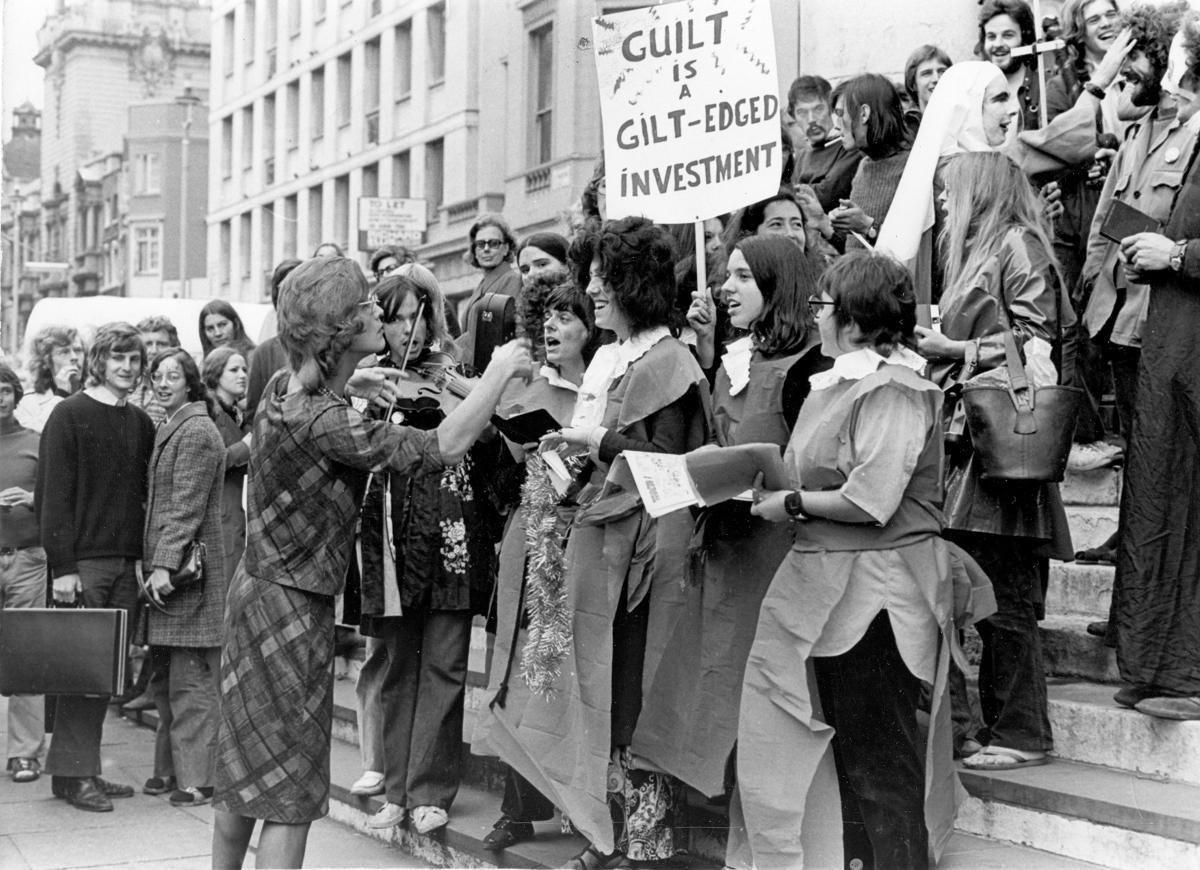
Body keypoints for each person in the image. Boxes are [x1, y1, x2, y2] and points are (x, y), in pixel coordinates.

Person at [210, 256, 530, 869]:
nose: (376, 311)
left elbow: (307, 391)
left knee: (242, 766)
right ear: (338, 331)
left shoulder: (283, 393)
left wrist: (349, 384)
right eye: (364, 305)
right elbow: (443, 445)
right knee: (288, 793)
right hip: (293, 610)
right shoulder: (327, 422)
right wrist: (495, 376)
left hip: (254, 597)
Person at [487, 217, 712, 869]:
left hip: (652, 556)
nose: (591, 289)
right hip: (610, 547)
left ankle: (641, 842)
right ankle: (607, 833)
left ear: (632, 285)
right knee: (609, 693)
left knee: (636, 695)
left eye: (600, 278)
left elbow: (673, 465)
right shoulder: (621, 358)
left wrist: (598, 442)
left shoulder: (670, 361)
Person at [732, 252, 959, 870]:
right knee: (854, 759)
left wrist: (792, 500)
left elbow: (872, 498)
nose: (817, 317)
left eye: (824, 306)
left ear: (857, 318)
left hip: (878, 595)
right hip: (832, 589)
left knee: (880, 761)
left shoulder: (896, 388)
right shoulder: (840, 381)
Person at [634, 237, 830, 807]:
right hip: (727, 543)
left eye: (744, 277)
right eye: (730, 276)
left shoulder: (814, 363)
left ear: (778, 285)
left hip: (778, 550)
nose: (727, 287)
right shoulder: (733, 358)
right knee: (721, 683)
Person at [915, 151, 1075, 771]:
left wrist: (954, 347)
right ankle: (1001, 728)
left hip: (1004, 453)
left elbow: (1039, 354)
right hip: (972, 448)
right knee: (983, 593)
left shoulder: (1017, 244)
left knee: (1002, 597)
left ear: (980, 190)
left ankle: (1022, 732)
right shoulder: (980, 253)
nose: (945, 204)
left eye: (952, 191)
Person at [351, 273, 501, 835]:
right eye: (389, 318)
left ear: (433, 315)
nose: (401, 329)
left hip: (449, 531)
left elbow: (487, 438)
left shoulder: (456, 376)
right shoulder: (367, 385)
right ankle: (395, 786)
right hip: (390, 533)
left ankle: (431, 789)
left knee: (443, 662)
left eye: (412, 315)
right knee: (397, 666)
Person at [473, 281, 597, 852]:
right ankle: (517, 808)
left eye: (567, 318)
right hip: (535, 529)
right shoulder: (528, 386)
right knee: (521, 661)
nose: (552, 328)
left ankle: (575, 801)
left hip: (588, 533)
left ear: (591, 327)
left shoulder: (602, 385)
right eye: (546, 317)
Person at [1102, 17, 1200, 719]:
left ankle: (1187, 671)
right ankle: (1157, 664)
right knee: (1164, 500)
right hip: (1174, 345)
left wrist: (1180, 256)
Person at [1075, 3, 1191, 566]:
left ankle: (1145, 552)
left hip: (1160, 314)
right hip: (1116, 313)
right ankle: (1129, 539)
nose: (1126, 79)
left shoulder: (1190, 131)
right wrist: (1090, 282)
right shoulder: (1133, 130)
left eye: (1136, 67)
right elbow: (1107, 217)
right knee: (1132, 435)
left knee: (1158, 444)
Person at [36, 322, 156, 812]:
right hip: (82, 565)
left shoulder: (141, 422)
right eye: (117, 359)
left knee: (104, 677)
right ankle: (74, 773)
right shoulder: (68, 415)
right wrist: (63, 568)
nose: (126, 368)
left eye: (134, 360)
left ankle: (78, 771)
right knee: (79, 673)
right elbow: (51, 499)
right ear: (98, 362)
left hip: (125, 565)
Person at [141, 348, 227, 808]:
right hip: (176, 577)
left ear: (192, 382)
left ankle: (200, 780)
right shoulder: (175, 426)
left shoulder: (194, 430)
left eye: (172, 374)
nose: (161, 381)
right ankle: (174, 770)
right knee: (173, 679)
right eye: (156, 375)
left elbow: (185, 507)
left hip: (185, 579)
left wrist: (161, 564)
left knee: (190, 681)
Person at [0, 363, 46, 784]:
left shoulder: (36, 442)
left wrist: (33, 499)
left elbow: (58, 499)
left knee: (27, 654)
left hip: (28, 559)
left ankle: (25, 754)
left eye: (5, 390)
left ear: (16, 395)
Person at [829, 73, 912, 251]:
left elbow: (914, 249)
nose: (836, 127)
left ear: (864, 114)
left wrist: (868, 227)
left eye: (840, 114)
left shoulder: (912, 167)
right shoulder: (864, 165)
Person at [203, 347, 252, 578]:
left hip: (235, 515)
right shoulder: (209, 413)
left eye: (244, 369)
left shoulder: (235, 413)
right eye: (233, 370)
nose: (242, 374)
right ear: (216, 375)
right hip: (221, 516)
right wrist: (246, 447)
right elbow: (209, 461)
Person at [786, 75, 864, 213]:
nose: (811, 120)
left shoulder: (848, 146)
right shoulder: (802, 155)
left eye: (818, 109)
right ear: (794, 117)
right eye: (802, 112)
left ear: (831, 109)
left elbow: (827, 195)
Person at [459, 213, 523, 371]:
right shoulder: (481, 284)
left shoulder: (512, 280)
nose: (486, 249)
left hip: (493, 369)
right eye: (480, 244)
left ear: (506, 248)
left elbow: (499, 334)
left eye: (493, 243)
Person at [246, 258, 303, 415]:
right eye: (284, 289)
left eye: (298, 287)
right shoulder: (265, 353)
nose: (291, 296)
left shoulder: (330, 344)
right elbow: (254, 414)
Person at [977, 0, 1042, 132]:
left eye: (1008, 35)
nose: (998, 44)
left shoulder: (1042, 88)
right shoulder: (975, 91)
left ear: (1025, 39)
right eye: (991, 36)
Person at [15, 326, 84, 433]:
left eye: (78, 350)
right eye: (64, 352)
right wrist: (61, 395)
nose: (74, 357)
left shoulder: (97, 394)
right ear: (46, 361)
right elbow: (34, 437)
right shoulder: (28, 402)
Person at [129, 316, 181, 426]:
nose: (153, 350)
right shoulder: (128, 389)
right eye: (147, 344)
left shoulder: (181, 392)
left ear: (174, 348)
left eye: (161, 344)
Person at [904, 45, 954, 116]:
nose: (936, 79)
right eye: (927, 73)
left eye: (942, 71)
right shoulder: (906, 125)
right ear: (913, 85)